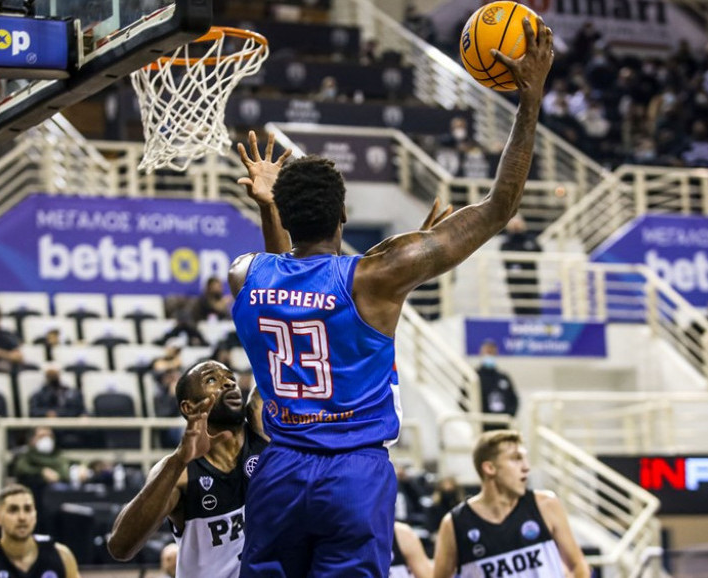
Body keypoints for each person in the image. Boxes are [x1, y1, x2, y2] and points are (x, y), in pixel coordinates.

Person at [229, 18, 553, 576]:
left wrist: (267, 207)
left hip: (277, 470)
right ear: (344, 215)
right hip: (352, 474)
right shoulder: (375, 276)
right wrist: (529, 101)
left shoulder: (245, 274)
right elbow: (501, 206)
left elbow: (281, 268)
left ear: (288, 216)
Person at [106, 360, 268, 578]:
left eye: (230, 377)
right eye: (212, 379)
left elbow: (273, 360)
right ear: (189, 407)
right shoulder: (179, 471)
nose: (229, 383)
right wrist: (179, 459)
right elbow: (120, 547)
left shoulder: (261, 429)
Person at [432, 430, 590, 578]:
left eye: (525, 458)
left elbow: (578, 564)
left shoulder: (546, 505)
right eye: (516, 458)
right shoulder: (455, 524)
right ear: (490, 468)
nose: (526, 467)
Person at [0, 483, 80, 578]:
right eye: (13, 510)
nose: (22, 517)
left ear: (35, 515)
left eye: (27, 509)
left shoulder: (62, 556)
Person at [500, 216, 542, 316]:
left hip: (530, 280)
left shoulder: (529, 238)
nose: (516, 225)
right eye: (514, 223)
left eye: (518, 223)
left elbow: (539, 250)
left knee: (534, 309)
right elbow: (506, 258)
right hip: (515, 282)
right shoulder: (507, 241)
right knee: (519, 309)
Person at [477, 340, 519, 427]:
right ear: (481, 353)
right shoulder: (474, 377)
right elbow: (463, 401)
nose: (489, 355)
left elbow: (514, 400)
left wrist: (508, 416)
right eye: (487, 352)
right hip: (482, 425)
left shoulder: (503, 377)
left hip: (503, 425)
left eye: (492, 353)